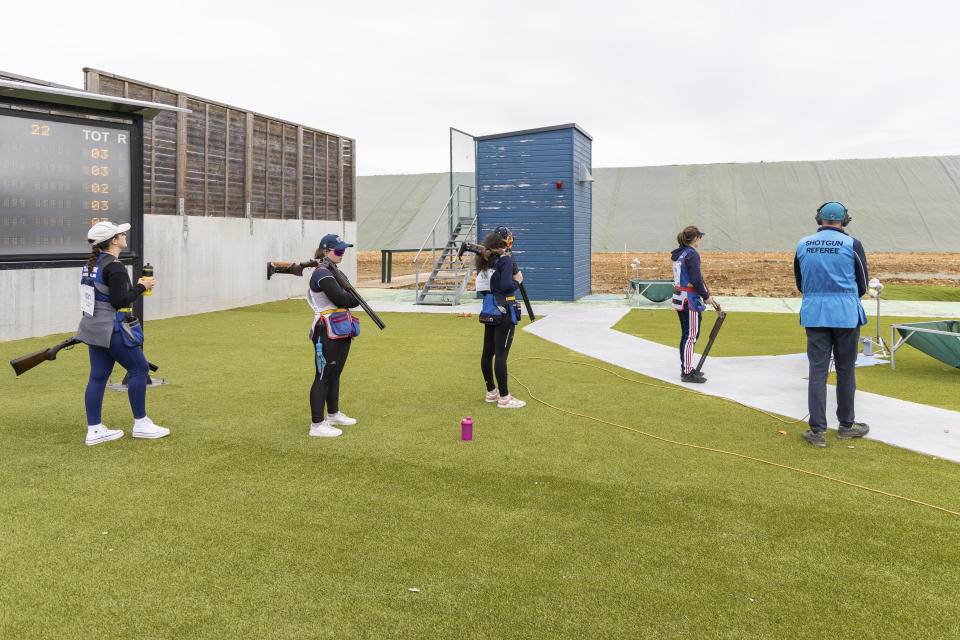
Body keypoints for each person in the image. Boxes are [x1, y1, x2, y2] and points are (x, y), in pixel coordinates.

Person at [76, 221, 168, 445]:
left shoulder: (92, 264)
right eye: (121, 233)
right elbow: (120, 301)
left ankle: (95, 429)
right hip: (112, 327)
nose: (125, 235)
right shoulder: (115, 266)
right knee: (139, 369)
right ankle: (141, 424)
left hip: (92, 327)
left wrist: (133, 286)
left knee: (97, 377)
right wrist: (142, 287)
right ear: (113, 240)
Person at [794, 202, 870, 448]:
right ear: (844, 220)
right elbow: (863, 285)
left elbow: (800, 282)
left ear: (819, 219)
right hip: (846, 314)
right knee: (846, 369)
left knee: (817, 370)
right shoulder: (852, 244)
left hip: (815, 313)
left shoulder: (803, 244)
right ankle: (846, 426)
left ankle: (818, 431)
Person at [306, 234, 361, 437]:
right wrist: (351, 298)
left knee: (334, 373)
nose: (342, 254)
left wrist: (350, 298)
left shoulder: (333, 271)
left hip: (339, 329)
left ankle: (333, 413)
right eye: (338, 251)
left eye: (343, 250)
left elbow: (349, 297)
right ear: (326, 251)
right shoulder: (322, 273)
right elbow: (341, 298)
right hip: (325, 331)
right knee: (323, 376)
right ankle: (317, 425)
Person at [476, 230, 525, 408]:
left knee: (487, 352)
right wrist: (517, 281)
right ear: (505, 242)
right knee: (501, 355)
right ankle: (504, 398)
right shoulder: (504, 260)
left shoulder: (485, 259)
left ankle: (491, 392)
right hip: (503, 310)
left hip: (489, 308)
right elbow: (506, 286)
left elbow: (482, 287)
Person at [670, 226, 720, 383]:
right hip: (689, 300)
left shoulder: (680, 253)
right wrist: (706, 297)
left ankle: (686, 367)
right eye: (700, 237)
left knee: (687, 335)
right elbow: (696, 280)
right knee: (691, 336)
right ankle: (686, 372)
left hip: (681, 298)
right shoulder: (691, 254)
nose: (700, 240)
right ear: (696, 238)